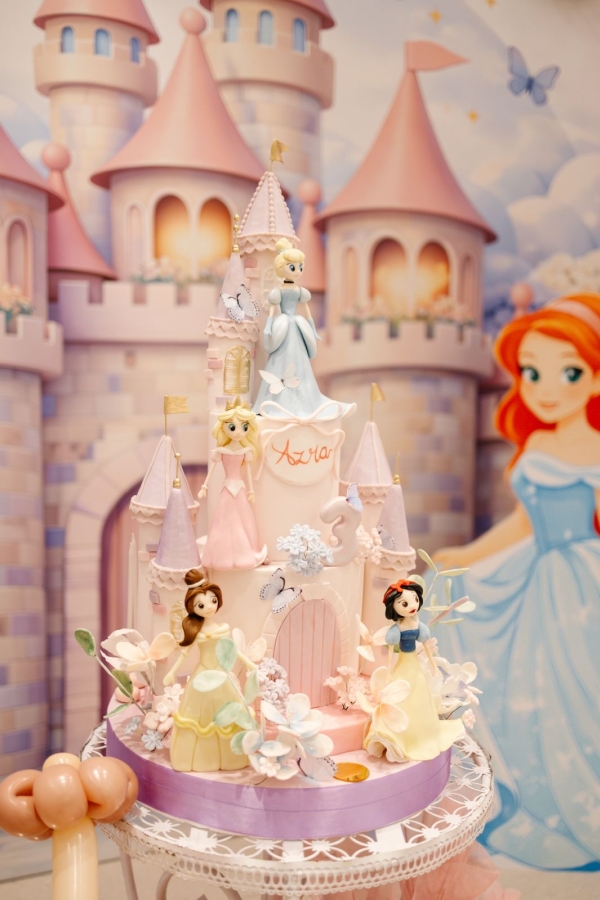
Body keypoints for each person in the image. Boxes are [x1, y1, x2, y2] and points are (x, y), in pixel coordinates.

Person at [434, 293, 600, 869]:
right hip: (534, 565)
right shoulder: (540, 444)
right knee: (453, 606)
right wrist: (467, 553)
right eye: (532, 372)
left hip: (582, 576)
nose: (546, 388)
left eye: (569, 372)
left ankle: (584, 805)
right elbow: (524, 522)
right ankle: (525, 796)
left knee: (578, 686)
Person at [363, 579, 464, 762]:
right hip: (403, 663)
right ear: (394, 607)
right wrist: (389, 670)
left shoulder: (418, 626)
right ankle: (399, 733)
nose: (412, 606)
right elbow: (391, 653)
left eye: (415, 600)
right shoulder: (397, 628)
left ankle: (422, 732)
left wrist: (434, 666)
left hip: (414, 664)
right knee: (402, 693)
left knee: (419, 695)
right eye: (404, 603)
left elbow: (426, 647)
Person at [164, 569, 254, 772]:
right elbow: (185, 654)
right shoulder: (196, 632)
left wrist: (248, 662)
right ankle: (199, 760)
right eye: (201, 605)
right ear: (193, 607)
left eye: (213, 601)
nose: (210, 607)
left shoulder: (222, 629)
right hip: (202, 676)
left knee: (228, 713)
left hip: (222, 675)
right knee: (199, 716)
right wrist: (172, 672)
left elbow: (233, 649)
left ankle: (232, 759)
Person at [252, 238, 351, 419]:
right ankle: (278, 401)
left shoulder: (299, 291)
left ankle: (303, 398)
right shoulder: (279, 291)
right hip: (283, 325)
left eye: (300, 267)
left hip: (296, 325)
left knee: (300, 363)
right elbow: (273, 309)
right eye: (293, 267)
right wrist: (269, 325)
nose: (297, 271)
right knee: (280, 360)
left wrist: (311, 327)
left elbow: (306, 309)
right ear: (281, 267)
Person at [199, 399, 267, 570]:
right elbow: (212, 470)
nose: (238, 432)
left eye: (244, 427)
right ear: (223, 427)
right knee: (224, 520)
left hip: (240, 487)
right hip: (228, 487)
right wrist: (204, 487)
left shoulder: (246, 452)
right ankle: (222, 555)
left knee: (244, 519)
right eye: (232, 427)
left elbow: (248, 473)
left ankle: (248, 550)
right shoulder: (221, 451)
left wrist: (251, 491)